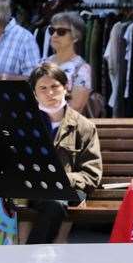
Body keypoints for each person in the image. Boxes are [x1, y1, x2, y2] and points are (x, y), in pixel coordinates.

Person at [26, 61, 102, 244]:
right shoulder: (25, 123)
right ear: (34, 93)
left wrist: (62, 178)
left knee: (56, 203)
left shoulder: (84, 126)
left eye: (55, 86)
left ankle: (31, 257)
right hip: (32, 188)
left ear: (66, 87)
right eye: (42, 88)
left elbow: (92, 174)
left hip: (66, 191)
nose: (50, 93)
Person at [45, 11, 93, 113]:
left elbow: (76, 106)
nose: (54, 35)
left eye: (61, 32)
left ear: (75, 37)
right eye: (52, 30)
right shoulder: (42, 63)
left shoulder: (82, 68)